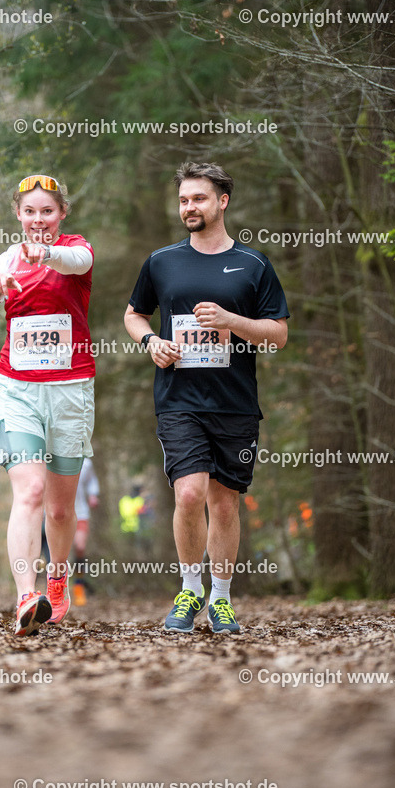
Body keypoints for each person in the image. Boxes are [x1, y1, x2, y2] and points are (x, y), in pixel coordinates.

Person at [124, 160, 289, 635]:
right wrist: (150, 342)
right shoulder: (162, 261)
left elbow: (278, 335)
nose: (189, 207)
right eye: (183, 200)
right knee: (190, 492)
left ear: (223, 201)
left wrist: (231, 321)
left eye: (198, 198)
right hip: (179, 399)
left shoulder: (254, 264)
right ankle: (189, 589)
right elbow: (134, 314)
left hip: (235, 402)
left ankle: (220, 598)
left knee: (224, 503)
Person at [0, 173, 95, 636]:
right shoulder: (4, 260)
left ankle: (57, 578)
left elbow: (77, 262)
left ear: (61, 214)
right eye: (29, 212)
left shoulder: (76, 249)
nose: (38, 219)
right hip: (16, 389)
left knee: (59, 510)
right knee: (31, 491)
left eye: (47, 211)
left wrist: (46, 254)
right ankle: (26, 595)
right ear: (18, 215)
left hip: (70, 391)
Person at [70, 457, 99, 604]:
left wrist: (93, 494)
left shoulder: (85, 462)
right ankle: (56, 589)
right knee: (55, 552)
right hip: (58, 513)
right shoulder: (51, 457)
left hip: (80, 512)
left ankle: (79, 587)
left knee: (80, 547)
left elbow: (92, 480)